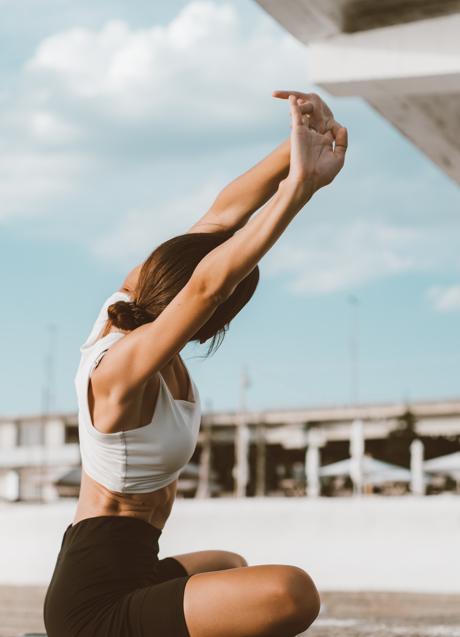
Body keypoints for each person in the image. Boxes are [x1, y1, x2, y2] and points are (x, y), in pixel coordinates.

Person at [43, 90, 347, 637]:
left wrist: (300, 146)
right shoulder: (120, 368)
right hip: (92, 603)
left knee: (228, 566)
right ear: (214, 322)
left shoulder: (133, 299)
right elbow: (208, 285)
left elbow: (223, 215)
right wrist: (298, 190)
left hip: (135, 566)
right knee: (289, 592)